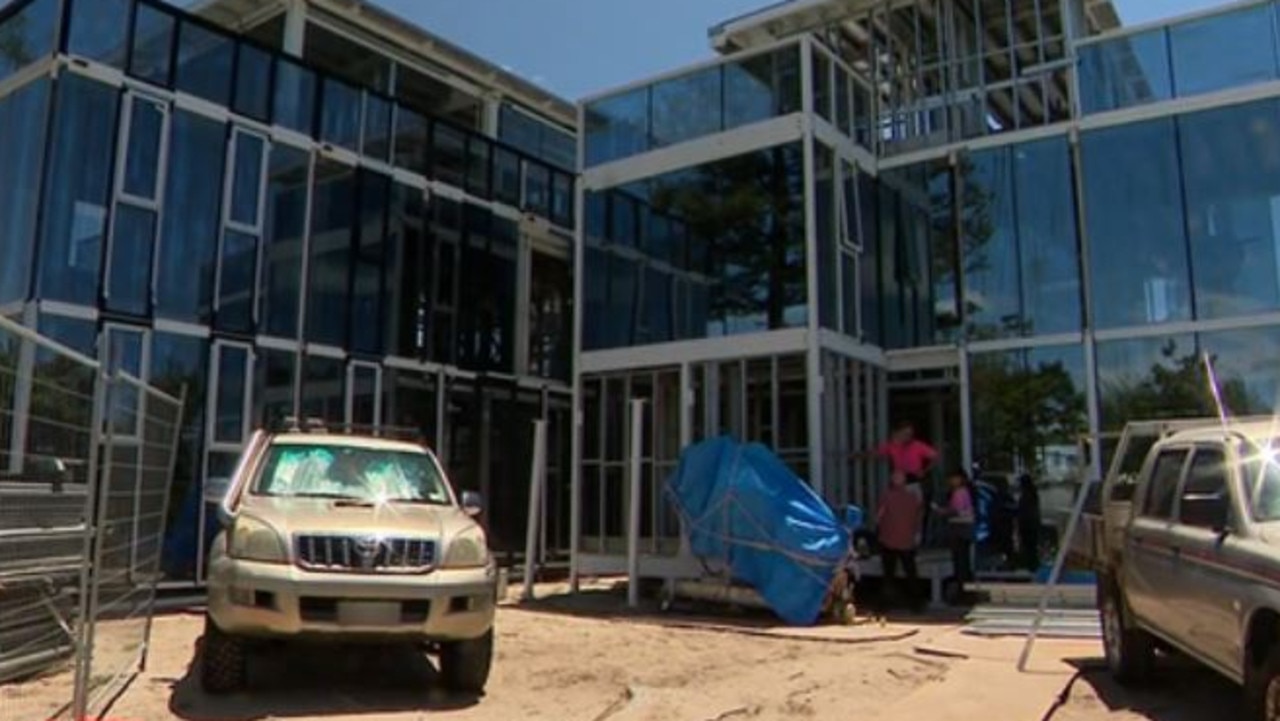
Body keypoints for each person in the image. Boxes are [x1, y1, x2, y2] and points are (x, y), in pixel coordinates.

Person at [877, 471, 923, 612]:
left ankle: (886, 604)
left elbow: (879, 516)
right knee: (911, 572)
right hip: (907, 540)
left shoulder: (887, 496)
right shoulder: (913, 498)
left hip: (888, 538)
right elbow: (918, 516)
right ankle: (916, 604)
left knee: (889, 574)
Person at [934, 468, 975, 599]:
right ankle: (966, 591)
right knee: (963, 562)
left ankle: (963, 592)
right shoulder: (966, 491)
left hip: (959, 530)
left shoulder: (959, 492)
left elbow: (955, 511)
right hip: (965, 530)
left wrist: (941, 511)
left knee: (960, 562)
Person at [1016, 473, 1042, 574]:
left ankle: (1031, 567)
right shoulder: (1032, 493)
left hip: (1027, 526)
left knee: (1028, 548)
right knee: (1032, 548)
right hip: (1032, 525)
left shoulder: (1026, 495)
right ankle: (1033, 567)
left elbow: (1023, 512)